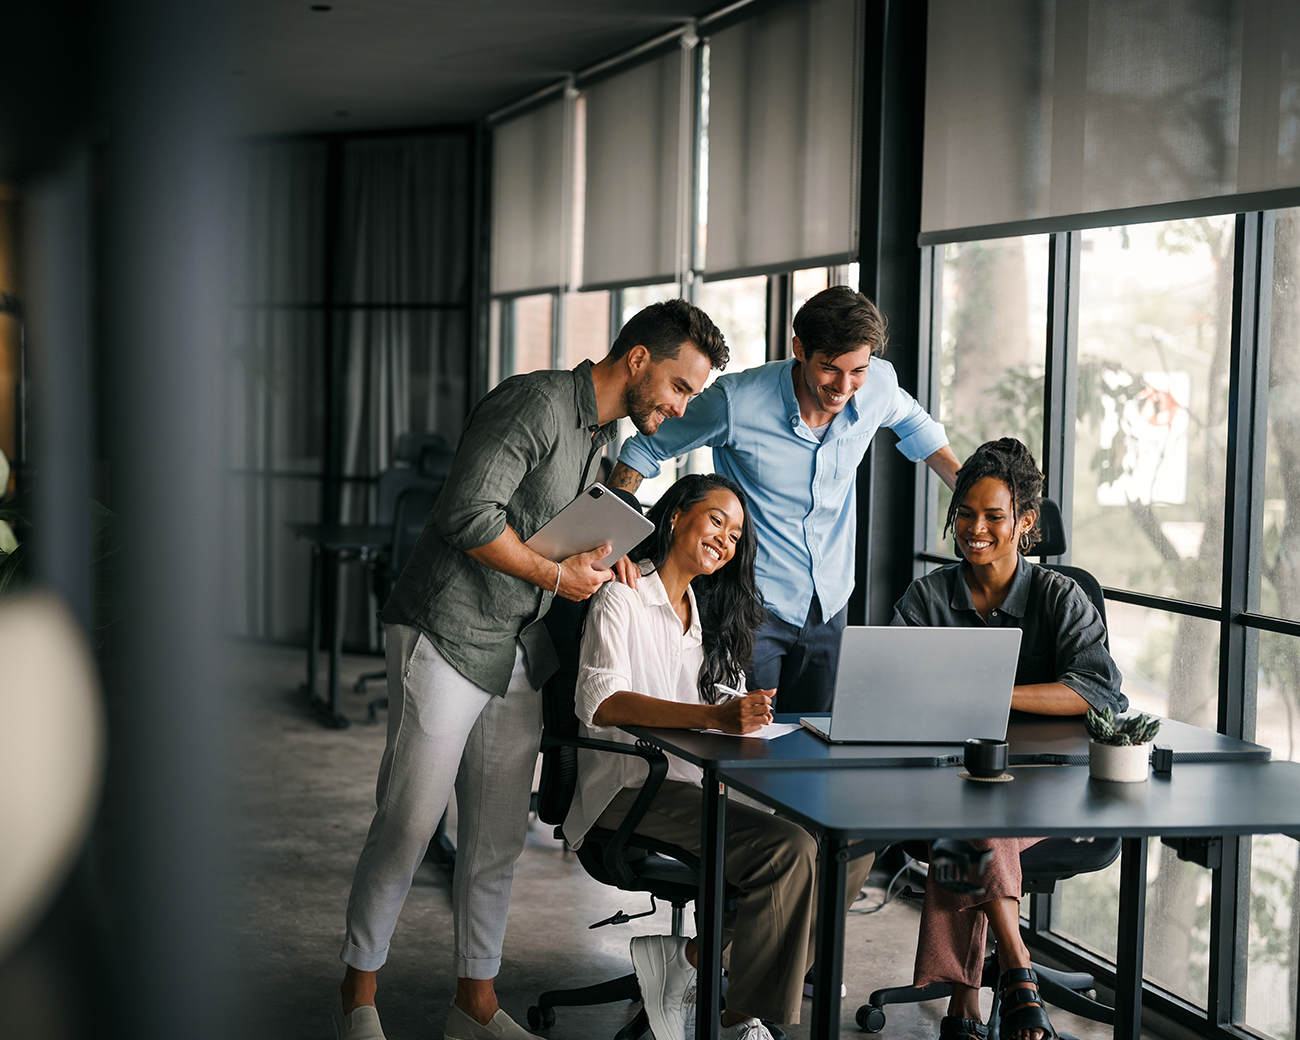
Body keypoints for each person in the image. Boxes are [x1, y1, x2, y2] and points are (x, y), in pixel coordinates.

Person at [333, 300, 729, 1040]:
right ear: (639, 360)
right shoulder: (535, 402)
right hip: (446, 631)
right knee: (410, 820)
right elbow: (469, 516)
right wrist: (556, 577)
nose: (680, 409)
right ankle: (356, 998)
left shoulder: (602, 434)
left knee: (494, 839)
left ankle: (473, 1006)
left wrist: (601, 569)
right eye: (679, 388)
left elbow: (563, 539)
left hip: (519, 646)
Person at [566, 473, 875, 1040]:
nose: (725, 541)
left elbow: (724, 708)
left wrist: (751, 717)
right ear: (677, 515)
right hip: (630, 792)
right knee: (787, 851)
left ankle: (696, 964)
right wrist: (714, 718)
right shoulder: (622, 597)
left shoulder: (707, 620)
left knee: (847, 840)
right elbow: (600, 701)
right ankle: (741, 1017)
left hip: (704, 786)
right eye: (716, 521)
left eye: (735, 535)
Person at [609, 285, 961, 714]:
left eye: (858, 371)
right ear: (800, 348)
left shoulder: (878, 386)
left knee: (816, 745)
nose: (844, 386)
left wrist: (970, 496)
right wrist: (615, 539)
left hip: (830, 603)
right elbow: (643, 450)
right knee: (744, 746)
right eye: (830, 369)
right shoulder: (737, 402)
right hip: (750, 605)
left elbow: (917, 427)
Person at [891, 438, 1128, 1040]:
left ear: (1025, 523)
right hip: (947, 787)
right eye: (965, 513)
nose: (975, 529)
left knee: (968, 830)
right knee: (970, 818)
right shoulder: (928, 598)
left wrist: (991, 692)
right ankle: (1016, 972)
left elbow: (1099, 692)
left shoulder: (1059, 596)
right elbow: (891, 685)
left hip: (1047, 790)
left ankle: (965, 1001)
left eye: (993, 517)